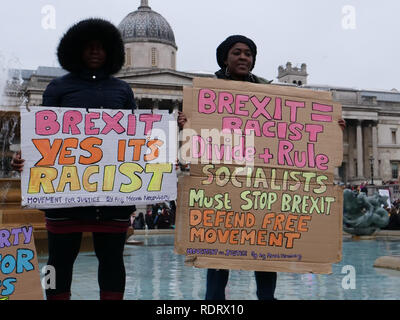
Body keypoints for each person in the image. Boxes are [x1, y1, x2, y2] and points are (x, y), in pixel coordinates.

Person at [177, 35, 346, 300]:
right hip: (221, 181)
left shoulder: (272, 94)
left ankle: (267, 298)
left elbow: (296, 130)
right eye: (237, 52)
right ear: (225, 58)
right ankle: (214, 302)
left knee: (266, 247)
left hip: (262, 182)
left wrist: (330, 129)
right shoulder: (207, 92)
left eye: (248, 53)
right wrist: (185, 122)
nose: (244, 57)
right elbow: (195, 137)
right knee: (218, 249)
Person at [12, 18, 136, 300]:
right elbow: (41, 136)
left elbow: (136, 138)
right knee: (58, 261)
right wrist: (24, 159)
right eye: (89, 47)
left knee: (113, 261)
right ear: (77, 50)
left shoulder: (123, 91)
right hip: (66, 194)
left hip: (111, 195)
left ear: (111, 52)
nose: (95, 52)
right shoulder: (57, 87)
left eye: (101, 47)